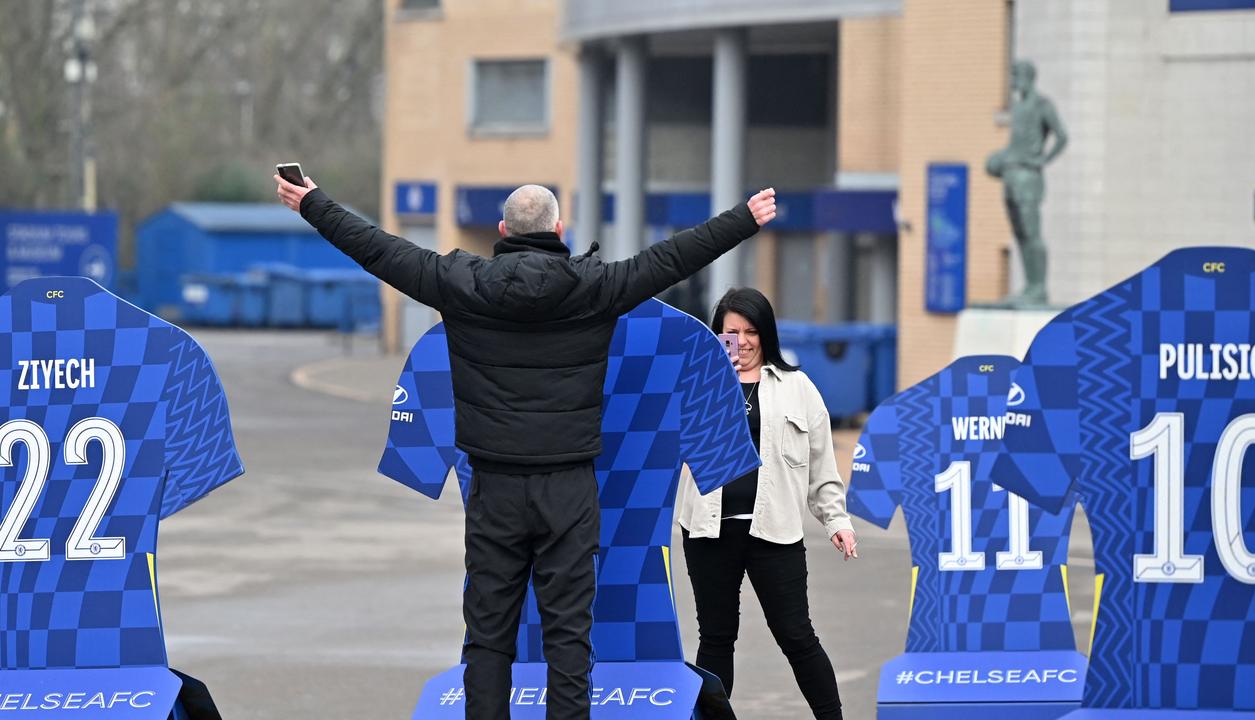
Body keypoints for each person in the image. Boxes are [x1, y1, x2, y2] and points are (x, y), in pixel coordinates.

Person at [275, 175, 776, 719]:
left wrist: (314, 203)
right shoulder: (595, 287)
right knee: (568, 638)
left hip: (494, 490)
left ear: (501, 232)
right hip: (569, 491)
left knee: (488, 636)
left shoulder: (458, 282)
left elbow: (376, 248)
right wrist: (744, 218)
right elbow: (675, 257)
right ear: (560, 230)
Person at [677, 287, 856, 720]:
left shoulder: (798, 387)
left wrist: (837, 520)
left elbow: (821, 463)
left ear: (766, 334)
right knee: (716, 638)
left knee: (797, 635)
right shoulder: (696, 383)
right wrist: (713, 381)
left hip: (773, 529)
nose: (741, 340)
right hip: (707, 529)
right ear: (716, 334)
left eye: (751, 331)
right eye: (730, 331)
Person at [984, 59, 1068, 306]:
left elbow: (1062, 137)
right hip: (1011, 174)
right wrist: (1000, 158)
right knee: (1019, 233)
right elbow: (1015, 144)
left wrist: (1042, 160)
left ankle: (1038, 287)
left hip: (1028, 177)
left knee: (1032, 233)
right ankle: (1029, 285)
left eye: (1016, 76)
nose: (1012, 82)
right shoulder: (1018, 108)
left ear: (1027, 77)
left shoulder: (1042, 105)